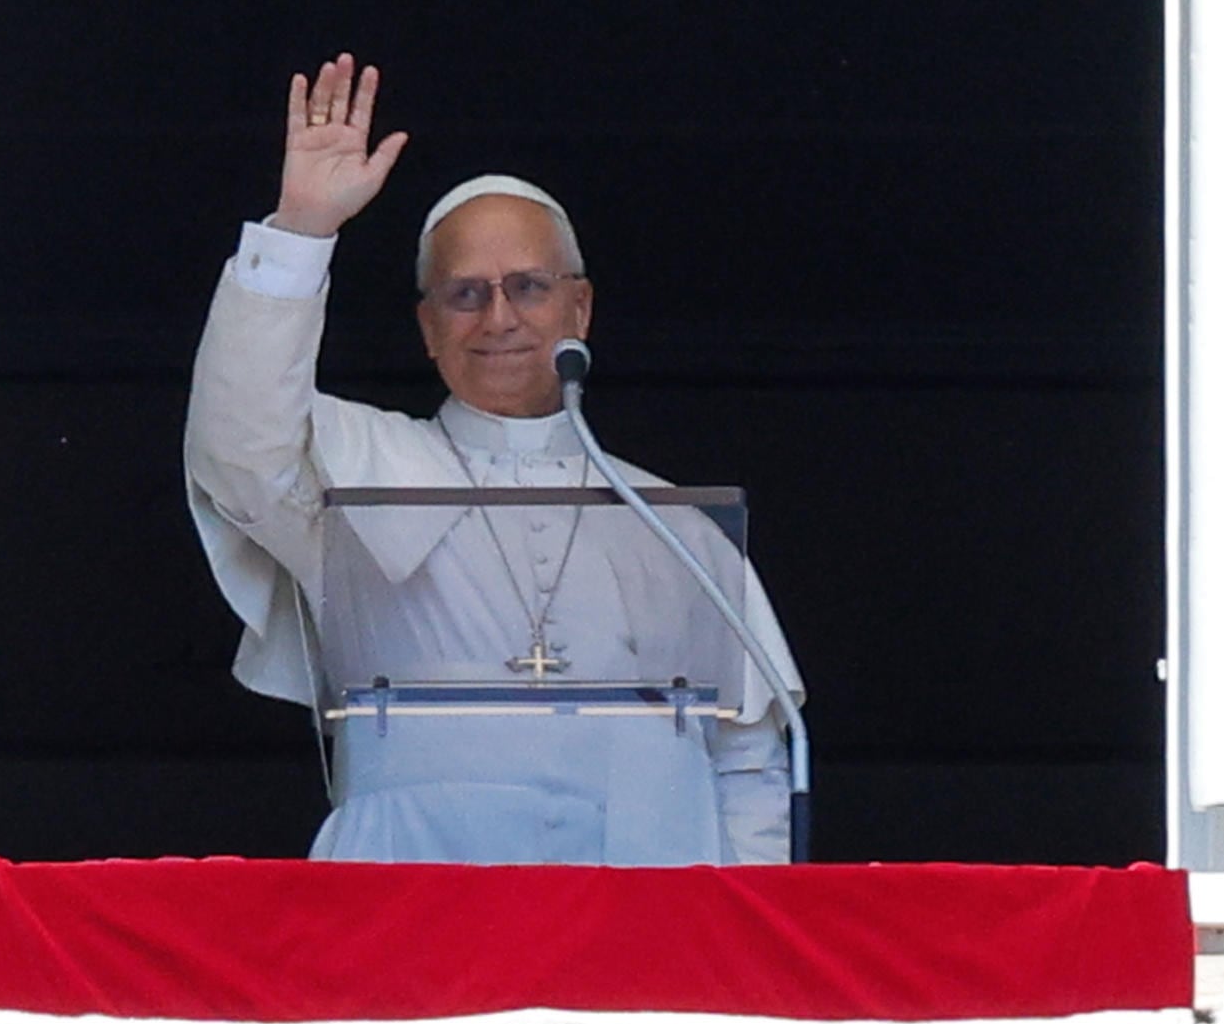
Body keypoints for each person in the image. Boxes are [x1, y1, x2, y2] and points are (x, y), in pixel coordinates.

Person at [186, 53, 801, 863]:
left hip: (648, 894)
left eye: (528, 287)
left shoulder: (673, 517)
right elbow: (239, 444)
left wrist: (739, 943)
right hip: (416, 889)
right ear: (428, 327)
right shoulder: (357, 464)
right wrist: (302, 231)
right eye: (465, 294)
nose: (499, 317)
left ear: (579, 305)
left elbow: (749, 760)